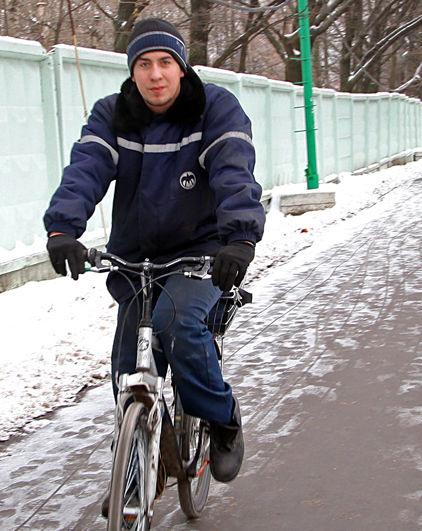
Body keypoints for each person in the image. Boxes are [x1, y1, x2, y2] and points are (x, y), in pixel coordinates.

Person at [43, 17, 265, 514]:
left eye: (165, 62)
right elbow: (87, 169)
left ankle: (222, 418)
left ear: (182, 68)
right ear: (132, 71)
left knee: (178, 323)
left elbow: (234, 171)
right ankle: (142, 460)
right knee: (128, 365)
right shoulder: (113, 114)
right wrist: (63, 229)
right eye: (144, 64)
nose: (155, 74)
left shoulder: (213, 109)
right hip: (135, 256)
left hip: (201, 253)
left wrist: (240, 238)